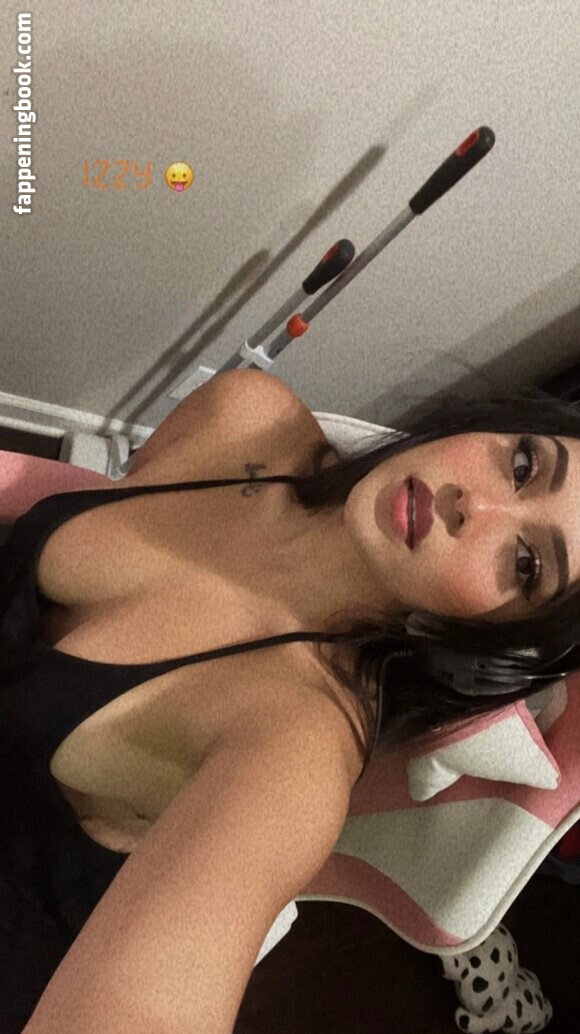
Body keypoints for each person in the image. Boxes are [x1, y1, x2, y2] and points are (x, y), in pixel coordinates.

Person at [2, 367, 579, 1032]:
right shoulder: (247, 414)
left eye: (527, 564)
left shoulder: (299, 753)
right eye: (525, 464)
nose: (474, 508)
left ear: (495, 635)